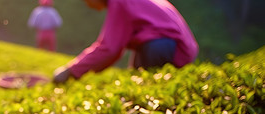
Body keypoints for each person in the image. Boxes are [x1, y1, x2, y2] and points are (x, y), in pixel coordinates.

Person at [53, 0, 198, 83]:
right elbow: (115, 49)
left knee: (147, 86)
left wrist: (70, 71)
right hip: (179, 48)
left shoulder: (120, 2)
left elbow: (109, 48)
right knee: (137, 77)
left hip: (164, 47)